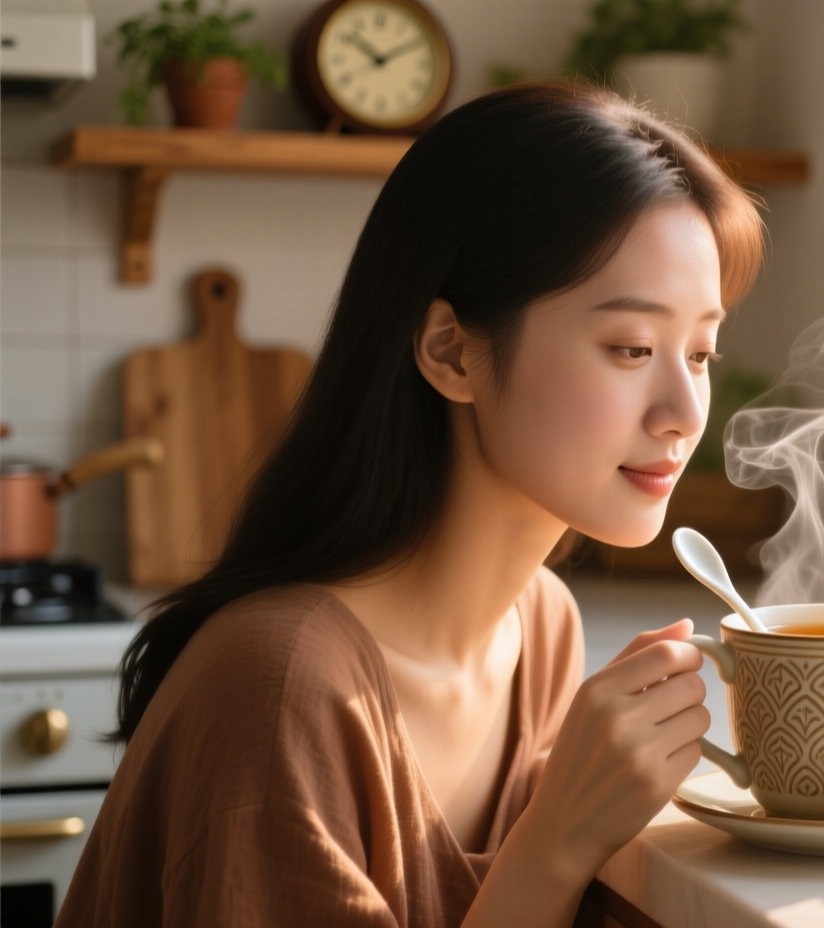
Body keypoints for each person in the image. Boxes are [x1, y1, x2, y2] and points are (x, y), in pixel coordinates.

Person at [58, 82, 764, 927]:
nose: (685, 414)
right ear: (450, 351)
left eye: (701, 353)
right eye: (632, 347)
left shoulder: (539, 631)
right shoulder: (282, 688)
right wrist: (557, 841)